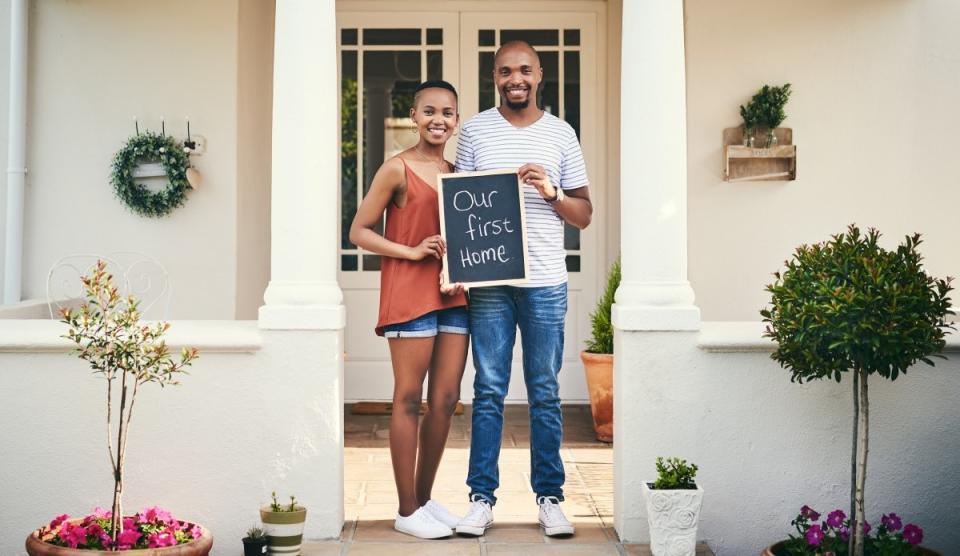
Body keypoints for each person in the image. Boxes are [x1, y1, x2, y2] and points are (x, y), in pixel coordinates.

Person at [453, 40, 593, 538]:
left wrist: (550, 192)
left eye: (525, 70)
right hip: (491, 282)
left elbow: (584, 214)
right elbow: (460, 209)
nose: (516, 79)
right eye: (507, 71)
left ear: (539, 75)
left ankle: (550, 498)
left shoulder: (561, 133)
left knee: (545, 391)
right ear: (495, 76)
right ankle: (480, 498)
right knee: (488, 390)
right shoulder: (474, 131)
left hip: (546, 283)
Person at [349, 80, 468, 540]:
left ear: (457, 121)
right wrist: (412, 251)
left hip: (453, 296)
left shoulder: (459, 174)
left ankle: (423, 500)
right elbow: (359, 231)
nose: (439, 119)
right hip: (409, 297)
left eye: (449, 112)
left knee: (445, 400)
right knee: (407, 398)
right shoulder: (395, 169)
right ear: (415, 116)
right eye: (430, 111)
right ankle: (404, 508)